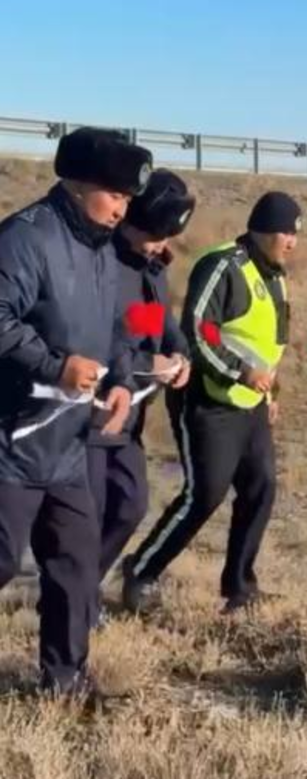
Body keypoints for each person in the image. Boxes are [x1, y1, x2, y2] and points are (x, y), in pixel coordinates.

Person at [0, 127, 149, 695]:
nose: (123, 209)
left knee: (75, 562)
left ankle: (65, 683)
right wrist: (55, 365)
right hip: (12, 437)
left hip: (67, 443)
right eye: (116, 196)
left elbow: (113, 327)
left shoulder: (102, 251)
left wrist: (118, 380)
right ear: (80, 184)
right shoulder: (23, 239)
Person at [125, 192, 300, 614]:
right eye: (285, 232)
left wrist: (269, 393)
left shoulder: (275, 274)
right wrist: (241, 371)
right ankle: (141, 571)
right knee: (205, 495)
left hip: (250, 403)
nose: (291, 241)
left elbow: (269, 345)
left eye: (295, 233)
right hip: (207, 400)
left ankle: (240, 587)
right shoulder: (222, 265)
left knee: (261, 488)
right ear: (261, 230)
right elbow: (199, 334)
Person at [88, 169, 194, 620]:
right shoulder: (100, 263)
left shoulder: (150, 268)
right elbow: (96, 337)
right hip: (92, 413)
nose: (159, 244)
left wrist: (180, 355)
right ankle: (76, 600)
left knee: (130, 506)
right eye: (154, 234)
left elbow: (162, 326)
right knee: (86, 515)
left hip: (130, 416)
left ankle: (81, 584)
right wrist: (142, 364)